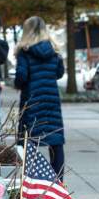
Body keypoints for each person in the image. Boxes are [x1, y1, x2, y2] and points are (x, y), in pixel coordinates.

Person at [14, 16, 66, 181]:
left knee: (28, 142)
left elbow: (22, 76)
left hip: (32, 100)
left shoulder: (25, 51)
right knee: (55, 141)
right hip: (51, 100)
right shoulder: (54, 51)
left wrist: (18, 84)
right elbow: (59, 73)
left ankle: (30, 182)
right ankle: (58, 184)